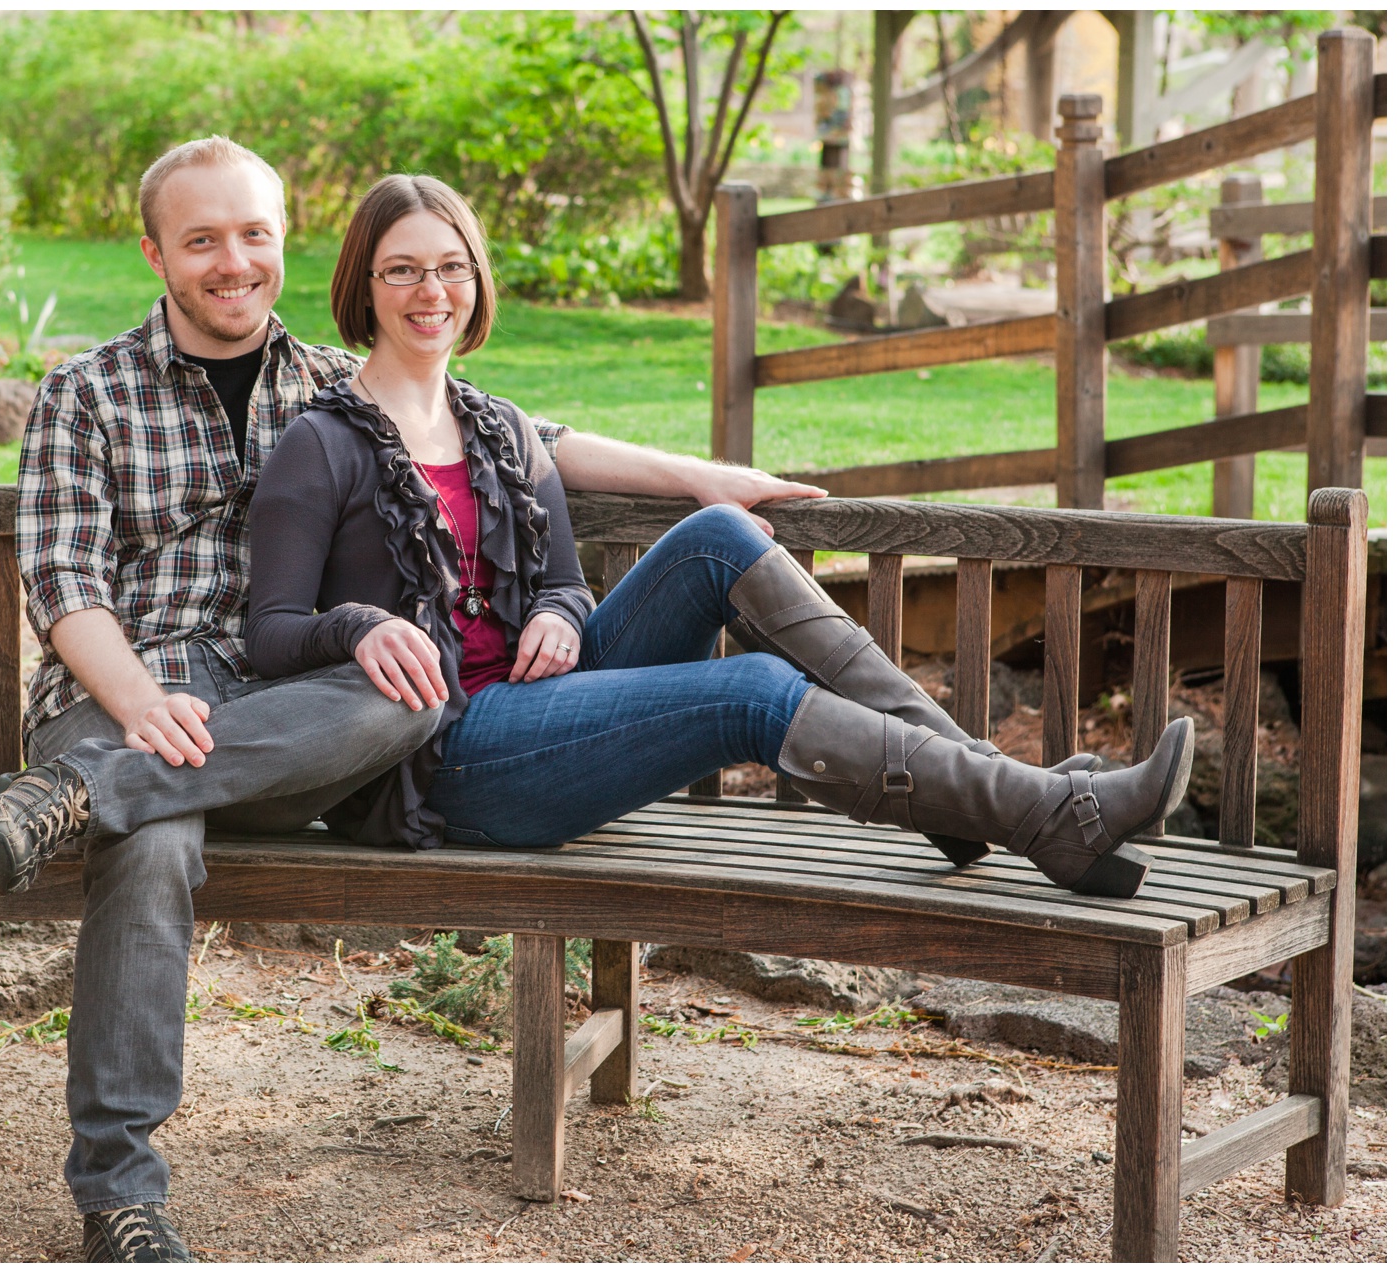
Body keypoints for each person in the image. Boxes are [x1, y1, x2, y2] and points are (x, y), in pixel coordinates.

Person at [0, 138, 828, 1263]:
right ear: (154, 253)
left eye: (254, 235)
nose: (233, 262)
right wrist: (138, 707)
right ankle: (120, 1194)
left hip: (292, 705)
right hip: (119, 690)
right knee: (154, 835)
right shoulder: (85, 393)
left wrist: (702, 479)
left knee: (414, 693)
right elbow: (65, 584)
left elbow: (532, 439)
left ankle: (81, 795)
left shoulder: (334, 381)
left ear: (280, 243)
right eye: (202, 240)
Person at [241, 173, 1194, 899]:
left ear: (477, 279)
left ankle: (989, 803)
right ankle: (1033, 807)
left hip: (548, 704)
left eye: (450, 266)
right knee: (751, 689)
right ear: (363, 286)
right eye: (402, 269)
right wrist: (360, 626)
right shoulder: (319, 447)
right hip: (452, 760)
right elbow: (271, 631)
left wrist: (567, 618)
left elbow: (566, 585)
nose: (430, 290)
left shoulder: (498, 429)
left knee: (718, 536)